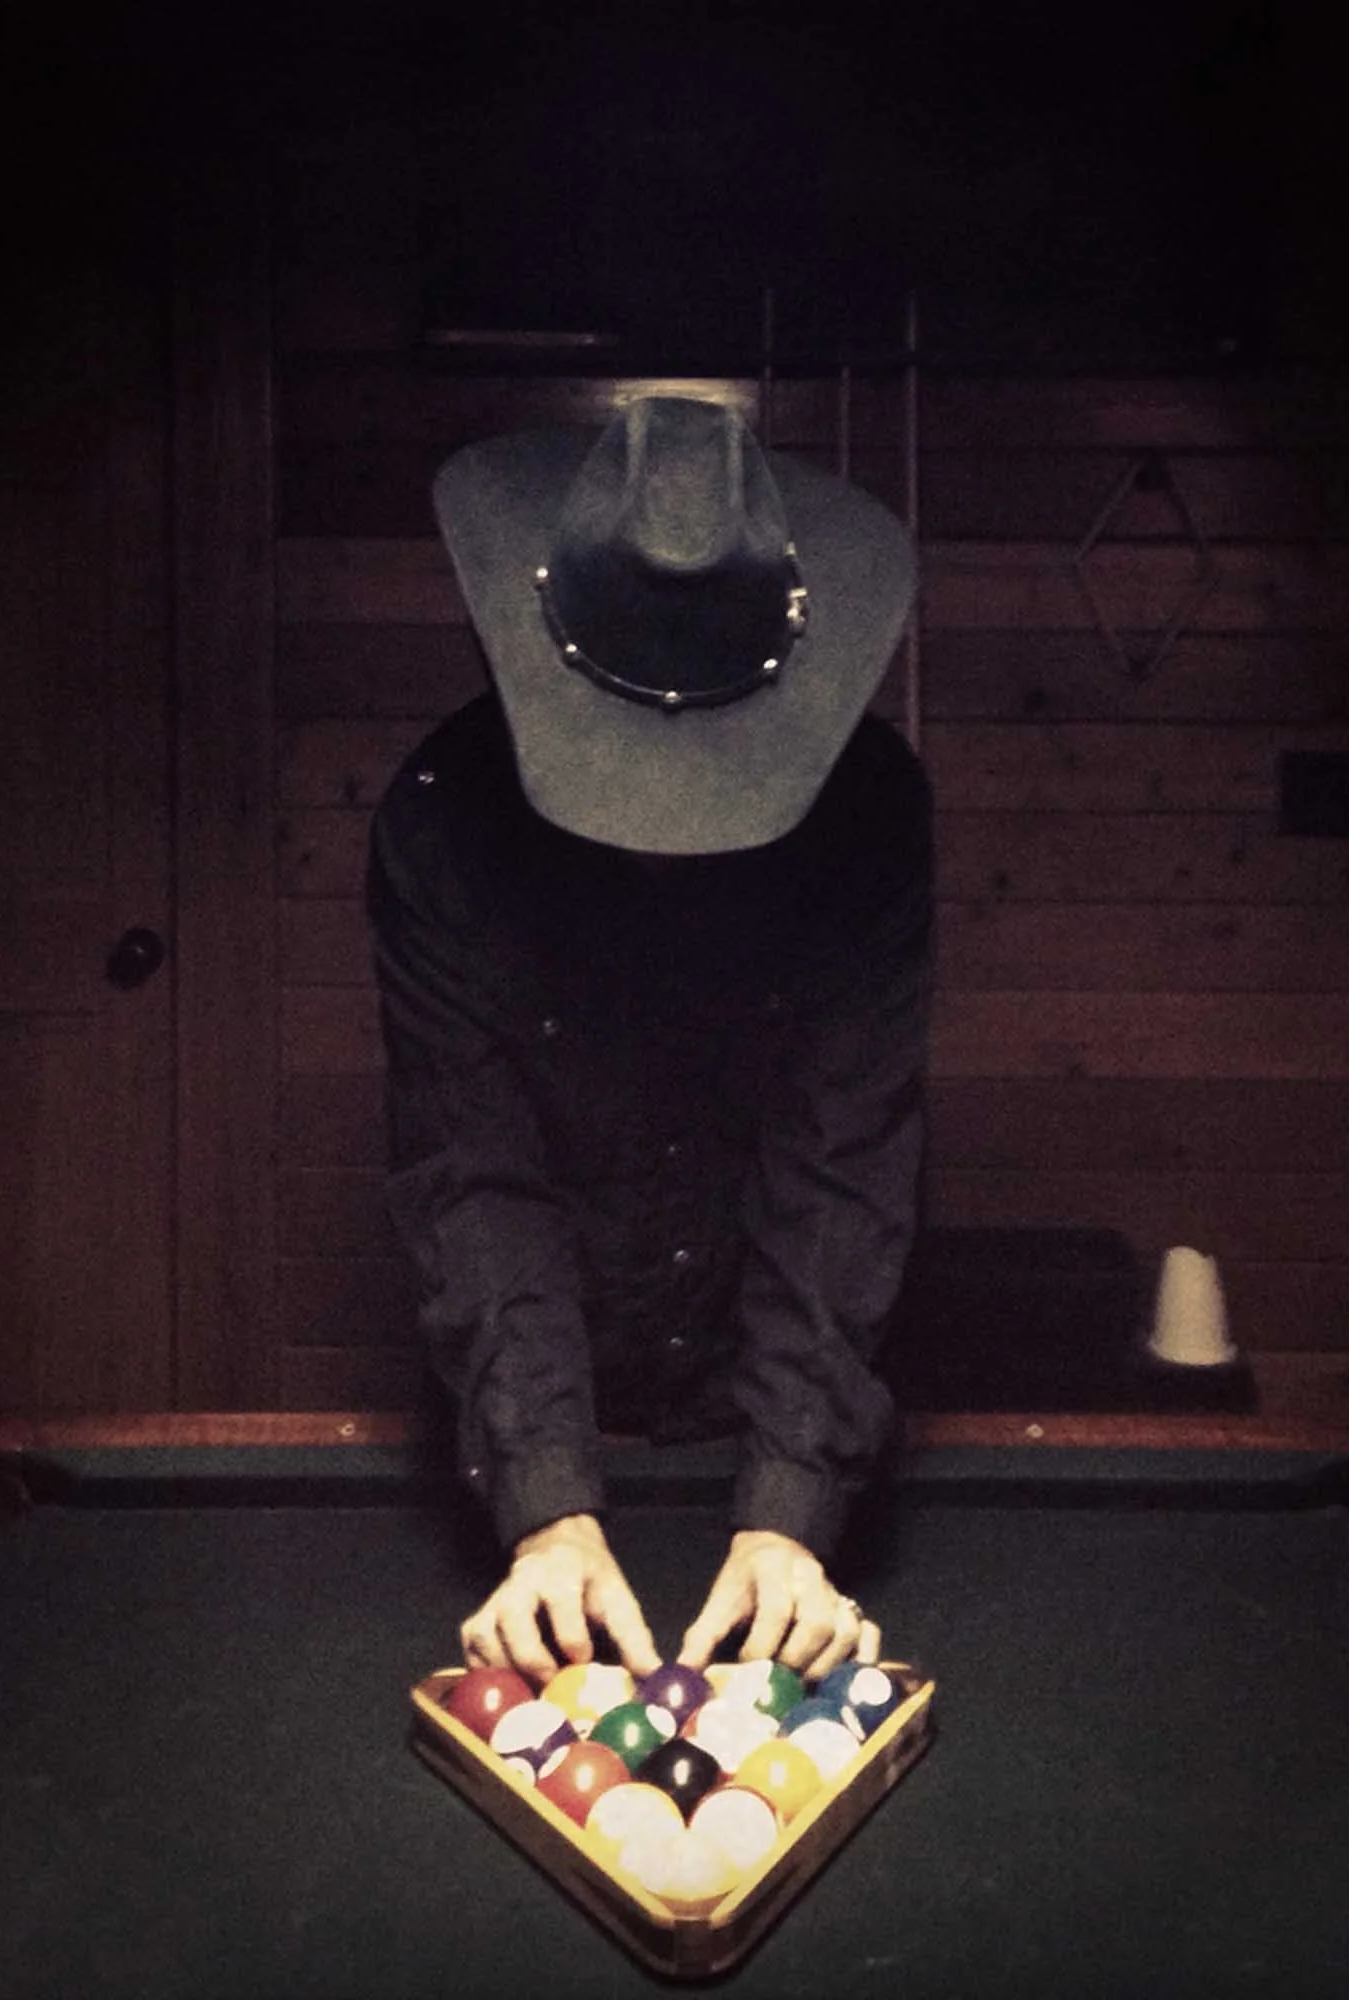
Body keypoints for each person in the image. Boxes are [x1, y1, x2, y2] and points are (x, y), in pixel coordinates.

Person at [367, 394, 931, 1688]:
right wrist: (547, 1496)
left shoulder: (877, 812)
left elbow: (845, 1150)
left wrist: (792, 1505)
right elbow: (471, 1173)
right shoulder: (440, 823)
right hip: (523, 1412)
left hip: (783, 1394)